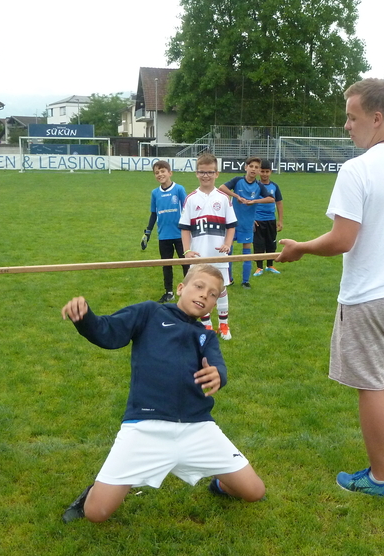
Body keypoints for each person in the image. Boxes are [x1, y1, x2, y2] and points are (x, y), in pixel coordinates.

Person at [278, 78, 384, 497]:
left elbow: (341, 239)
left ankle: (380, 478)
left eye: (352, 118)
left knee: (373, 387)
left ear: (377, 117)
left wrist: (300, 248)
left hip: (368, 298)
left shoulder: (357, 169)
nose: (347, 126)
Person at [60, 263, 266, 524]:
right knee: (96, 513)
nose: (204, 295)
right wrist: (85, 317)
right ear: (181, 288)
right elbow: (108, 333)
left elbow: (217, 366)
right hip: (145, 426)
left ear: (215, 304)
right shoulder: (149, 313)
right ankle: (93, 493)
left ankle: (220, 484)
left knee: (255, 491)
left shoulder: (206, 336)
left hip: (197, 427)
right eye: (199, 287)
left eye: (213, 294)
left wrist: (218, 375)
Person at [179, 153, 236, 340]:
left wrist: (227, 244)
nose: (206, 176)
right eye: (202, 172)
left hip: (218, 254)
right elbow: (185, 229)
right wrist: (187, 250)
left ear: (216, 174)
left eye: (210, 172)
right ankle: (207, 326)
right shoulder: (191, 199)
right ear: (196, 173)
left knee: (220, 289)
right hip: (199, 255)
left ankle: (224, 325)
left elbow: (231, 226)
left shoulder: (223, 198)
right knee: (201, 289)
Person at [218, 156, 273, 288]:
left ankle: (245, 281)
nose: (253, 169)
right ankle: (228, 279)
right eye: (251, 166)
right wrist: (237, 196)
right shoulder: (238, 180)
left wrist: (254, 201)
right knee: (228, 251)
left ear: (259, 171)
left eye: (257, 167)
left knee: (246, 252)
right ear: (246, 167)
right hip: (232, 224)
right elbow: (221, 187)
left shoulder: (259, 186)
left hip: (248, 224)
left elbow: (271, 199)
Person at [142, 160, 187, 303]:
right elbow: (154, 214)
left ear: (170, 173)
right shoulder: (155, 193)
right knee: (166, 265)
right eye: (157, 172)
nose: (160, 174)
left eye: (162, 171)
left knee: (186, 263)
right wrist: (148, 232)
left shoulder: (179, 189)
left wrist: (190, 229)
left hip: (180, 234)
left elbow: (187, 210)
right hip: (164, 235)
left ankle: (187, 290)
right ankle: (169, 292)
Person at [252, 159, 284, 276]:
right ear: (258, 172)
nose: (265, 174)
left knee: (271, 243)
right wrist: (252, 218)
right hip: (257, 220)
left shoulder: (274, 186)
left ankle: (270, 265)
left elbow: (279, 203)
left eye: (267, 171)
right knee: (258, 244)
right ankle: (259, 267)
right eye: (262, 171)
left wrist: (280, 220)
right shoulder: (254, 186)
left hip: (271, 220)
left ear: (270, 172)